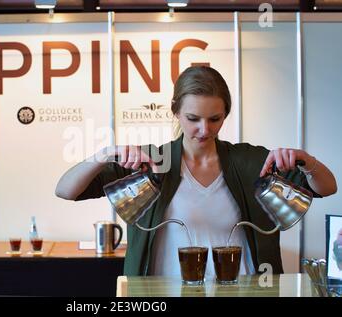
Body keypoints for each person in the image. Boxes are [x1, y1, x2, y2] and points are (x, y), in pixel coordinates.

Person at [55, 66, 338, 277]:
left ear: (225, 114)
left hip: (243, 291)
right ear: (175, 112)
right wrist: (104, 155)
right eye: (193, 119)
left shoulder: (249, 160)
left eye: (215, 119)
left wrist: (306, 160)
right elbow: (66, 190)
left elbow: (326, 187)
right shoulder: (153, 160)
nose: (204, 130)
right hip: (163, 293)